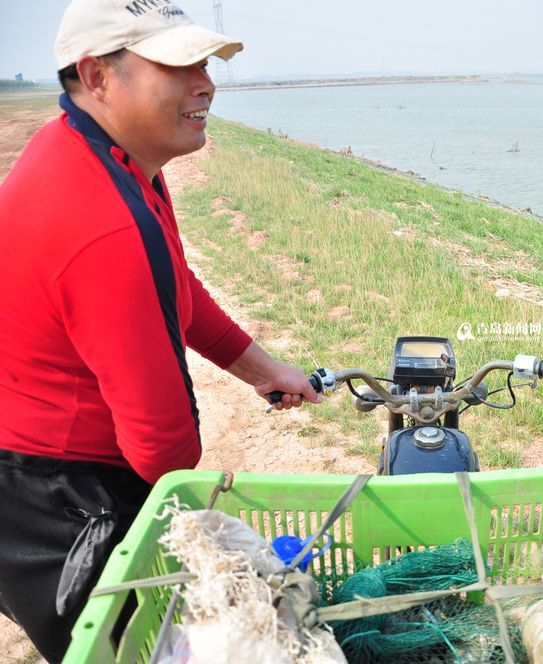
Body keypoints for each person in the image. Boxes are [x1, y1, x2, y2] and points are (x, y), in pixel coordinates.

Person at [0, 1, 320, 660]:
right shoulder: (104, 223)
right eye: (177, 65)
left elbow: (176, 286)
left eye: (203, 61)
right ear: (97, 76)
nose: (205, 82)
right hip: (54, 497)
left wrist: (266, 371)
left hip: (43, 467)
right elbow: (163, 448)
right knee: (127, 647)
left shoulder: (108, 156)